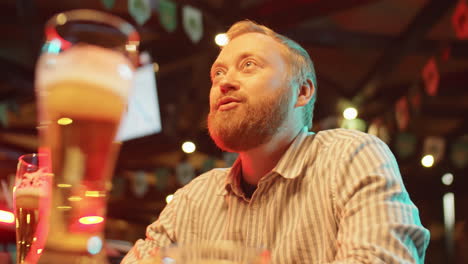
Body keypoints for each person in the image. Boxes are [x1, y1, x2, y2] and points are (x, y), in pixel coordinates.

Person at [122, 20, 430, 263]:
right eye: (217, 73)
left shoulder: (350, 156)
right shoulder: (194, 197)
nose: (224, 82)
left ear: (302, 92)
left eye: (248, 65)